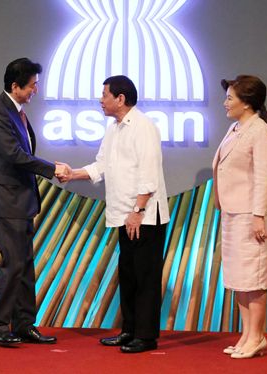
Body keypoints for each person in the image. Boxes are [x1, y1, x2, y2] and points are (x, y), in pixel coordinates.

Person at [56, 75, 170, 353]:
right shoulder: (114, 128)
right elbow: (101, 165)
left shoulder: (143, 126)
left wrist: (138, 210)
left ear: (120, 98)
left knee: (145, 276)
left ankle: (146, 336)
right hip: (124, 214)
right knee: (128, 274)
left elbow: (149, 173)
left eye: (104, 94)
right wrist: (73, 175)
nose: (100, 99)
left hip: (144, 216)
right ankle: (129, 330)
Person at [0, 57, 68, 346]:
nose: (36, 90)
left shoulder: (16, 111)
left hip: (21, 202)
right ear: (15, 86)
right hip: (5, 201)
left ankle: (23, 325)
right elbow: (14, 155)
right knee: (14, 262)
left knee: (25, 265)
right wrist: (52, 169)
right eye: (32, 85)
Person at [212, 75, 267, 359]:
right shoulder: (235, 128)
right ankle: (246, 334)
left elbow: (265, 177)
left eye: (230, 98)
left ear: (247, 103)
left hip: (252, 215)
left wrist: (258, 216)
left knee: (254, 277)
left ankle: (258, 336)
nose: (225, 103)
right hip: (232, 213)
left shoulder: (260, 131)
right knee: (239, 278)